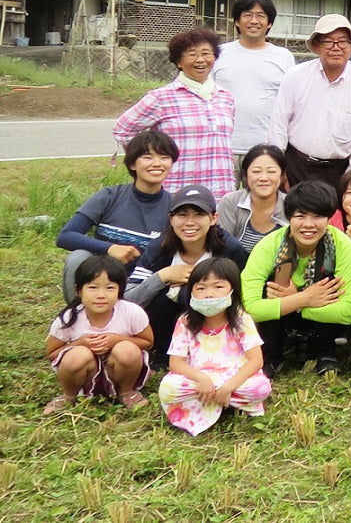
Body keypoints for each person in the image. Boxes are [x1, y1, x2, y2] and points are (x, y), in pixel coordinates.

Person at [243, 181, 351, 377]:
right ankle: (272, 356)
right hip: (284, 317)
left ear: (329, 218)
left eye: (317, 216)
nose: (308, 224)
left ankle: (325, 351)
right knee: (269, 286)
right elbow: (249, 308)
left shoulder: (342, 245)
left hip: (321, 316)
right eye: (300, 216)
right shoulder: (269, 246)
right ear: (289, 217)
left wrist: (298, 304)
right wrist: (303, 299)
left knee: (331, 285)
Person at [112, 27, 237, 201]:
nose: (200, 60)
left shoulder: (226, 97)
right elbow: (123, 129)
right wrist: (148, 159)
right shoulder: (161, 98)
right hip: (176, 191)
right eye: (192, 54)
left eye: (206, 53)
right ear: (178, 62)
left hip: (220, 192)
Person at [126, 184, 245, 363]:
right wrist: (162, 276)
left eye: (199, 214)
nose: (190, 222)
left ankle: (210, 350)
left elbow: (243, 297)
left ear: (213, 218)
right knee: (161, 298)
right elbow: (129, 301)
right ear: (171, 219)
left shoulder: (230, 249)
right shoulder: (159, 249)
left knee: (187, 294)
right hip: (163, 326)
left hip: (219, 323)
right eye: (182, 215)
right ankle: (163, 355)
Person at [56, 129, 177, 302]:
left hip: (145, 286)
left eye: (164, 157)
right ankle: (78, 313)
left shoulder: (175, 207)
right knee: (77, 258)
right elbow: (66, 236)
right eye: (148, 157)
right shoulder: (109, 196)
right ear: (132, 164)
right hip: (103, 280)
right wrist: (110, 248)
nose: (157, 163)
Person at [157, 257, 272, 435]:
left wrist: (228, 387)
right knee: (168, 388)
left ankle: (215, 399)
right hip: (198, 379)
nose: (209, 294)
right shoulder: (185, 322)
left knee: (260, 387)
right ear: (191, 292)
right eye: (201, 288)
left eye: (218, 287)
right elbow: (176, 363)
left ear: (233, 290)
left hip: (234, 378)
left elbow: (255, 361)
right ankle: (227, 403)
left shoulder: (242, 319)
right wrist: (201, 379)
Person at [270, 13, 351, 189]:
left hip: (340, 171)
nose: (336, 48)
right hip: (295, 165)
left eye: (342, 41)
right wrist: (278, 168)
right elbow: (279, 125)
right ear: (317, 46)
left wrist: (350, 180)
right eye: (328, 42)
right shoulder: (295, 76)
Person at [44, 254, 154, 415]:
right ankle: (69, 395)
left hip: (118, 372)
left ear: (120, 290)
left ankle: (126, 392)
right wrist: (80, 343)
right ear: (78, 290)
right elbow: (52, 353)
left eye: (110, 288)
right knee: (77, 355)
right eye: (92, 288)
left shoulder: (131, 312)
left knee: (127, 349)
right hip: (85, 375)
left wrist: (117, 340)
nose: (101, 295)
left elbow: (148, 342)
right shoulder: (69, 318)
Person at [213, 0, 295, 158]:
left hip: (267, 149)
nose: (254, 21)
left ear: (269, 23)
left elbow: (291, 103)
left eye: (260, 16)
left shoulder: (283, 57)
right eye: (247, 15)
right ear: (237, 21)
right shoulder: (219, 53)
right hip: (222, 146)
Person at [216, 145, 288, 254]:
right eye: (256, 171)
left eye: (271, 172)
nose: (263, 178)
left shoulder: (291, 205)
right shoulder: (230, 202)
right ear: (245, 174)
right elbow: (222, 249)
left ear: (282, 176)